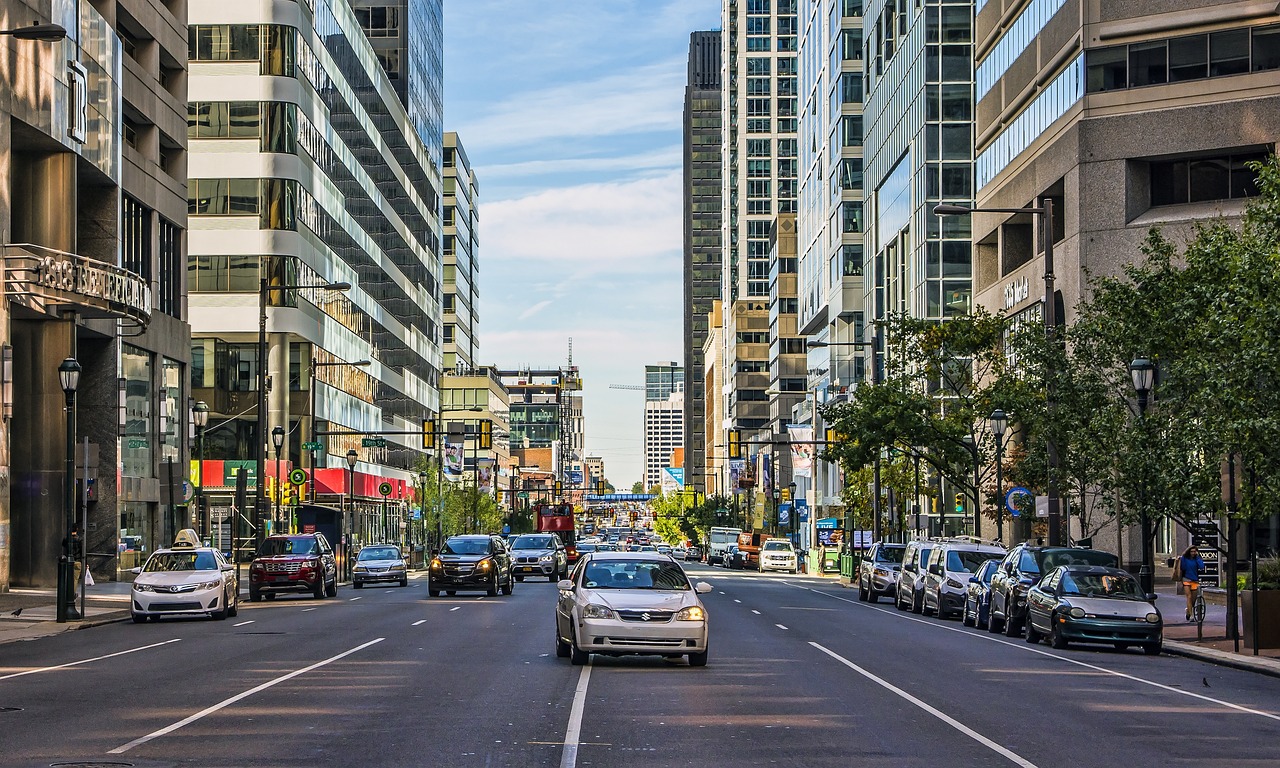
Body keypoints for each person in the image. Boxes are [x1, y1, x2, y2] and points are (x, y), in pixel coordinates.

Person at [1177, 546, 1206, 621]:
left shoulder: (1197, 558)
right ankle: (1191, 615)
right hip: (1186, 579)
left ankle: (1188, 610)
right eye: (1191, 551)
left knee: (1193, 599)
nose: (1193, 553)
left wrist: (1197, 558)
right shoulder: (1184, 558)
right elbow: (1182, 567)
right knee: (1189, 597)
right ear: (1188, 552)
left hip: (1195, 580)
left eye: (1194, 551)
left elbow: (1201, 567)